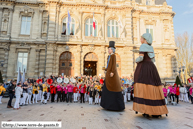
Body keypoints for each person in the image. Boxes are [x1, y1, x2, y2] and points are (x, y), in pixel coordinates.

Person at [133, 33, 168, 117]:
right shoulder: (151, 47)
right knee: (153, 87)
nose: (140, 39)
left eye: (141, 38)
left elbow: (141, 58)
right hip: (152, 68)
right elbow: (153, 60)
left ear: (144, 39)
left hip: (144, 67)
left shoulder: (142, 46)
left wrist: (136, 60)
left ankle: (145, 110)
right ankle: (156, 111)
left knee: (143, 87)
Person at [100, 41, 125, 111]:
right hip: (108, 73)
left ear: (112, 50)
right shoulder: (109, 56)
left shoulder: (113, 56)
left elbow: (114, 65)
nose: (108, 50)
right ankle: (106, 105)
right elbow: (109, 65)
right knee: (106, 87)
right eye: (108, 49)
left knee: (112, 87)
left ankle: (115, 106)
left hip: (111, 74)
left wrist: (112, 72)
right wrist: (106, 69)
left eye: (109, 49)